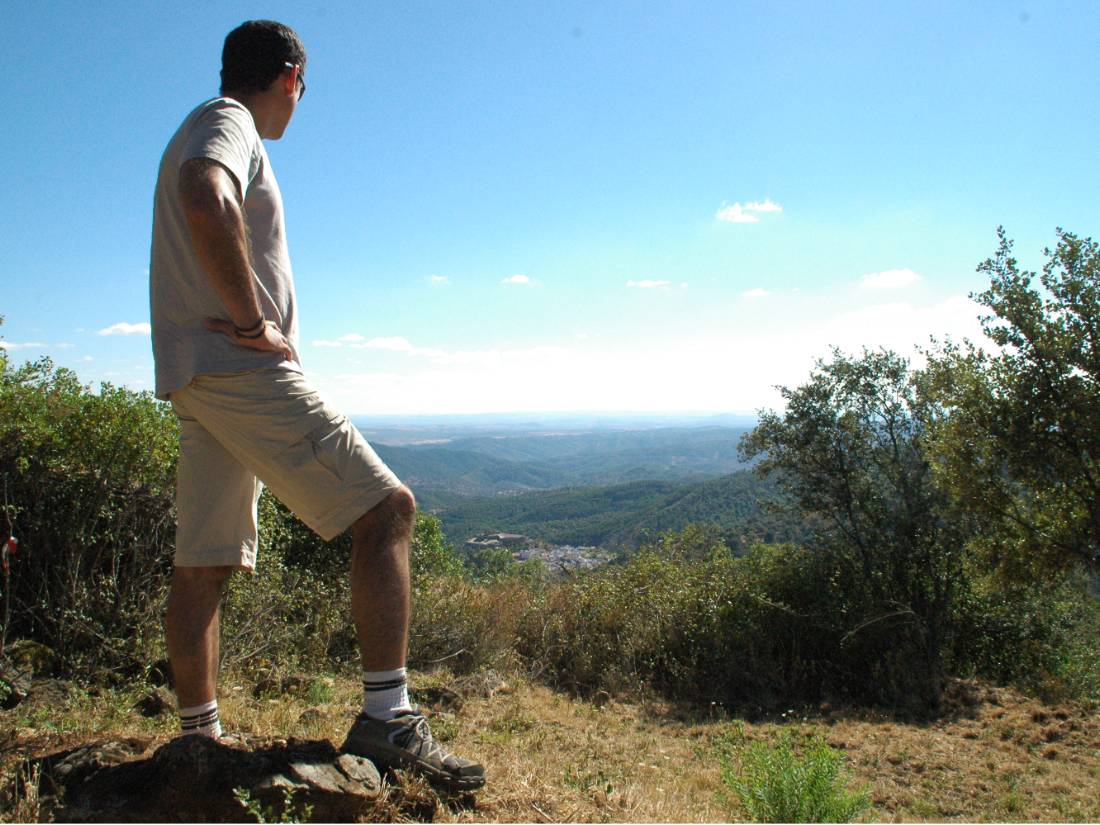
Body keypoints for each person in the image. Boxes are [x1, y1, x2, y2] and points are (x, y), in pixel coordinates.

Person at [149, 19, 484, 792]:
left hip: (195, 377)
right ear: (292, 75)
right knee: (387, 510)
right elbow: (206, 193)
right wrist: (251, 320)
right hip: (236, 368)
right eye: (306, 87)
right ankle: (389, 719)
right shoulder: (228, 122)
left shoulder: (201, 123)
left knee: (203, 562)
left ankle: (200, 738)